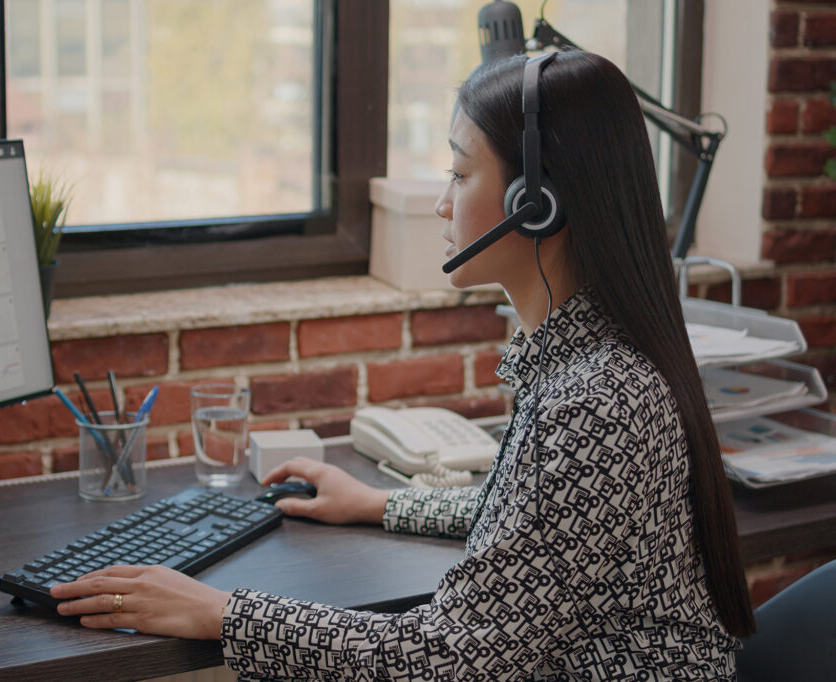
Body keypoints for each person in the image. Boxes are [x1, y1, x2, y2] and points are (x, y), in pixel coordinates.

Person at [50, 49, 755, 680]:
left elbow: (455, 656)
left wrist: (224, 613)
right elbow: (531, 532)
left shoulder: (599, 396)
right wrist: (379, 503)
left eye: (458, 171)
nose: (444, 201)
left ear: (535, 204)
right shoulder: (584, 356)